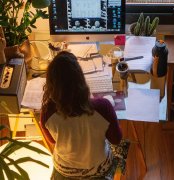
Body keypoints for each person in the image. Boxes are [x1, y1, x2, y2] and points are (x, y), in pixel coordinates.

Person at [40, 51, 123, 179]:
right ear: (80, 80)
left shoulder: (47, 112)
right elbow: (116, 139)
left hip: (64, 170)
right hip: (98, 169)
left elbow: (52, 140)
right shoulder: (103, 107)